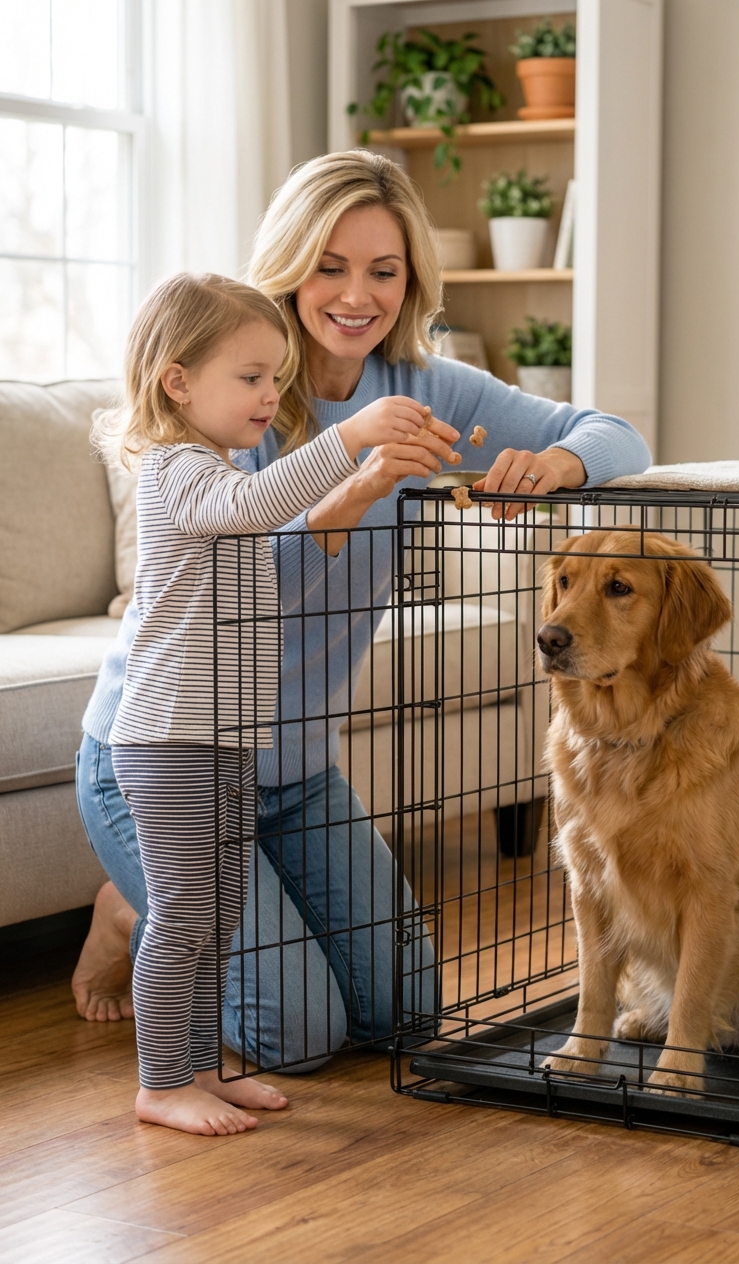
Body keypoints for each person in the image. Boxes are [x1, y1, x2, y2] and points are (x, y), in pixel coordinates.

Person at [74, 151, 652, 1073]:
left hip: (295, 769)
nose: (357, 294)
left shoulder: (426, 385)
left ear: (412, 281)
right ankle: (136, 902)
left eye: (384, 271)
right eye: (330, 266)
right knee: (294, 1039)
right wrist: (352, 472)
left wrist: (554, 469)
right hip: (171, 761)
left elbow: (618, 433)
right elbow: (250, 596)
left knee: (405, 1016)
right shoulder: (246, 393)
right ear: (290, 266)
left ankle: (229, 906)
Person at [92, 271, 440, 1136]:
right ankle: (160, 1082)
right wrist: (348, 437)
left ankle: (199, 1069)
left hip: (224, 741)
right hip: (168, 743)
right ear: (179, 382)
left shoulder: (220, 471)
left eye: (277, 379)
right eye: (251, 378)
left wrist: (352, 494)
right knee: (185, 916)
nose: (271, 395)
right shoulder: (179, 473)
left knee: (212, 916)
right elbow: (254, 504)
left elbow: (276, 588)